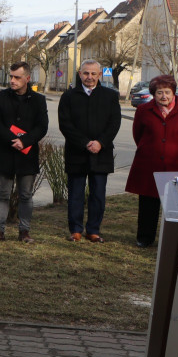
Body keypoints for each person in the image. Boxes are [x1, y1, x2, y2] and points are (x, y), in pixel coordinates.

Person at [57, 59, 121, 243]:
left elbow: (114, 123)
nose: (90, 77)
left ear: (99, 75)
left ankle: (93, 230)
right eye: (86, 73)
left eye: (93, 73)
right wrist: (85, 143)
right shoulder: (68, 96)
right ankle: (76, 230)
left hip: (102, 153)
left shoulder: (110, 96)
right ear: (79, 74)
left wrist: (100, 142)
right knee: (75, 194)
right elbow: (65, 125)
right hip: (77, 152)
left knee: (98, 195)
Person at [0, 61, 48, 243]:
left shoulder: (38, 100)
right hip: (5, 153)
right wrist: (13, 140)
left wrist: (25, 141)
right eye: (11, 76)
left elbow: (42, 127)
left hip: (27, 155)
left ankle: (24, 231)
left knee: (26, 195)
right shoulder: (0, 97)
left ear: (27, 79)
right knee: (3, 194)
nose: (12, 80)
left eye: (17, 77)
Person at [125, 74, 178, 247]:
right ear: (153, 94)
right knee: (148, 204)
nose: (164, 96)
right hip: (149, 164)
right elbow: (138, 135)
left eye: (167, 92)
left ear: (174, 93)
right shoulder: (143, 111)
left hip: (177, 165)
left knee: (175, 206)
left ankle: (173, 241)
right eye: (159, 93)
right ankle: (145, 238)